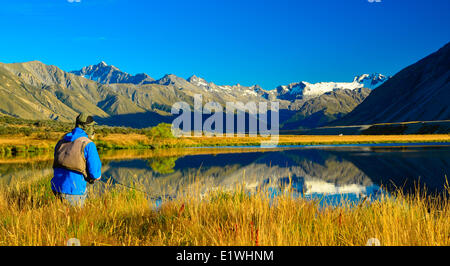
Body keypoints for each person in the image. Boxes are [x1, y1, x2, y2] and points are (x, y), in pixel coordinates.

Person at [51, 113, 102, 207]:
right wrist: (97, 177)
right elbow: (95, 173)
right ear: (86, 127)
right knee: (74, 219)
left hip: (56, 187)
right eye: (92, 126)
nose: (93, 129)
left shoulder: (61, 141)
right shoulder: (88, 144)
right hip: (74, 190)